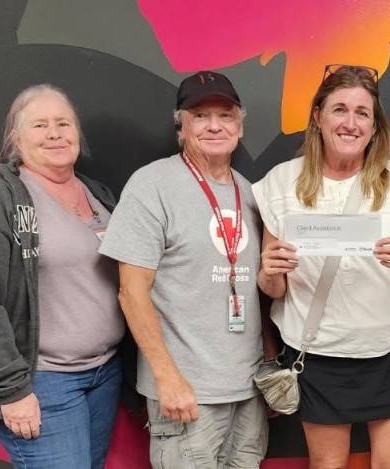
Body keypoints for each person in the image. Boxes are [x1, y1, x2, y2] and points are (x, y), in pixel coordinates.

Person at [253, 64, 390, 469]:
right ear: (317, 116)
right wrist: (270, 271)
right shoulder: (281, 184)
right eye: (339, 109)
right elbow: (274, 289)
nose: (350, 123)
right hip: (316, 353)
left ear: (374, 126)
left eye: (362, 113)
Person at [0, 84, 124, 468]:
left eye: (64, 123)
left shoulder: (98, 195)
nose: (55, 133)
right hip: (43, 381)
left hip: (103, 374)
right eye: (40, 125)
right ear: (16, 138)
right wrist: (10, 392)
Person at [98, 71, 271, 468]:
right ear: (181, 126)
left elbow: (252, 291)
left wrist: (266, 367)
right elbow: (131, 291)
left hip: (247, 392)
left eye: (225, 115)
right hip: (186, 394)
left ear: (240, 125)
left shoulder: (249, 191)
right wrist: (167, 379)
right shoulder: (152, 185)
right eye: (200, 115)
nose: (214, 126)